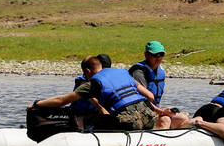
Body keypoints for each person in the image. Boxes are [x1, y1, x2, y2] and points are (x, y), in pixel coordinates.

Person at [33, 55, 171, 131]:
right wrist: (160, 112)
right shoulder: (123, 73)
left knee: (87, 122)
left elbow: (61, 101)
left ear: (87, 71)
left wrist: (37, 104)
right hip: (149, 116)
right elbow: (150, 96)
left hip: (128, 122)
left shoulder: (94, 83)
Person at [128, 40, 191, 128]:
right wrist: (162, 112)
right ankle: (157, 139)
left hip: (155, 110)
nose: (159, 58)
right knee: (165, 120)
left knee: (183, 118)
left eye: (161, 55)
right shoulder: (138, 72)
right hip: (140, 111)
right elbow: (141, 100)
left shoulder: (160, 71)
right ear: (146, 55)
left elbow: (158, 98)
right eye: (155, 55)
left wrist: (161, 111)